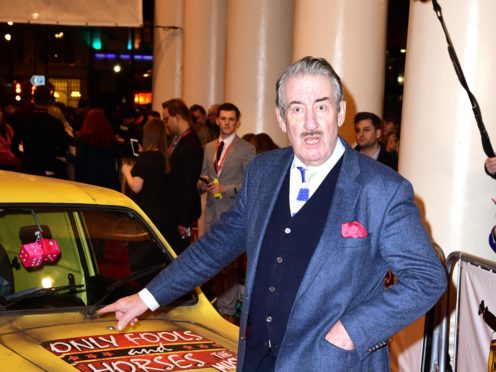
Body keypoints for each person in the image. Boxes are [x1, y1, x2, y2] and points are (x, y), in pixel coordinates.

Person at [98, 56, 447, 371]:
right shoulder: (263, 171)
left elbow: (427, 278)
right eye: (297, 109)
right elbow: (217, 245)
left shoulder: (382, 189)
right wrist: (148, 296)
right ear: (282, 117)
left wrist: (353, 331)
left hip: (333, 363)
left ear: (340, 113)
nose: (310, 122)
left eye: (321, 107)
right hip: (258, 360)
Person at [198, 102, 256, 320]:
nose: (227, 123)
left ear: (237, 121)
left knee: (229, 265)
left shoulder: (246, 149)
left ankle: (228, 312)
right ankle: (219, 307)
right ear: (217, 120)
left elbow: (251, 184)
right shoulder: (209, 147)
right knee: (213, 262)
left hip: (232, 214)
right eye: (223, 119)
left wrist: (227, 189)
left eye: (231, 119)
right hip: (211, 212)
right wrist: (202, 183)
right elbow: (204, 173)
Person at [162, 98, 203, 254]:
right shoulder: (179, 140)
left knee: (177, 256)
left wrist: (184, 221)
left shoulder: (190, 143)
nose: (165, 123)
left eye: (167, 119)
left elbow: (189, 184)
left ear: (177, 117)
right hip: (174, 210)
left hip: (180, 214)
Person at [121, 118, 170, 239]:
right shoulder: (163, 157)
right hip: (159, 211)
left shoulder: (146, 157)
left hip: (145, 211)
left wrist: (126, 172)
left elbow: (136, 187)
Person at [11, 85, 71, 178]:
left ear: (33, 100)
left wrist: (26, 156)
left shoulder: (24, 121)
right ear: (50, 101)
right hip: (49, 168)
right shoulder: (55, 123)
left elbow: (14, 147)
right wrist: (51, 155)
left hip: (29, 167)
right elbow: (64, 147)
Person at [74, 106, 119, 190]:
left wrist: (68, 157)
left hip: (88, 182)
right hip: (107, 181)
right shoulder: (109, 138)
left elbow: (80, 161)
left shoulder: (85, 138)